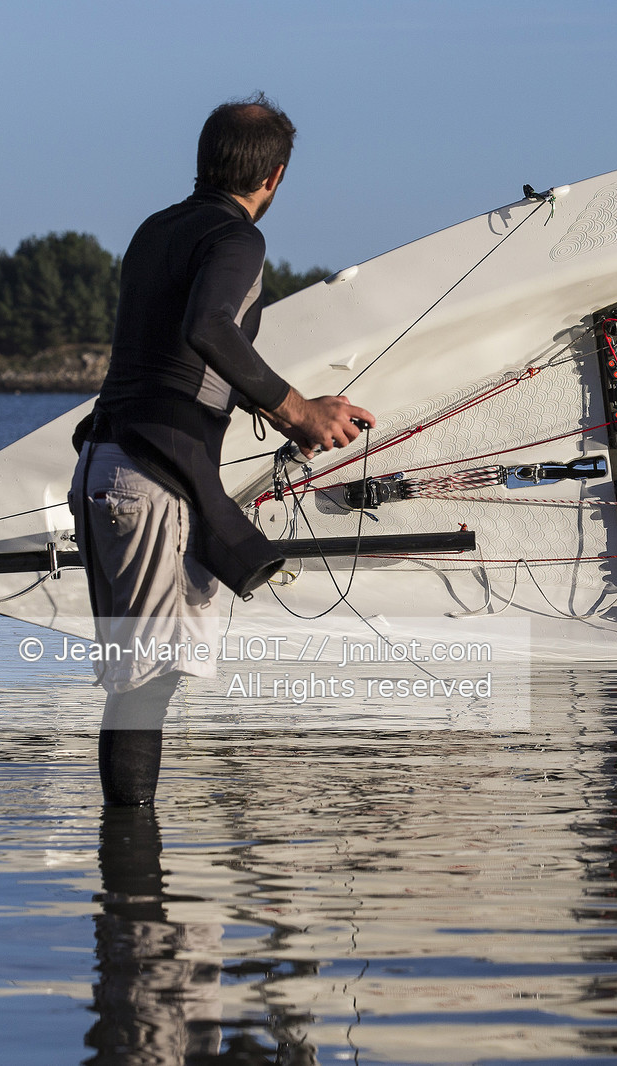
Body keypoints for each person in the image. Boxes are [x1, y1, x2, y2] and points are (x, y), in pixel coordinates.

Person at [70, 93, 374, 806]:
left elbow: (173, 354)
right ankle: (139, 897)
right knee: (147, 681)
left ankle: (130, 891)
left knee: (142, 677)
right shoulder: (238, 239)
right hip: (151, 481)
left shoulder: (155, 231)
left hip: (108, 466)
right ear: (273, 176)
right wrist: (297, 410)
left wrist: (281, 407)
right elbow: (210, 327)